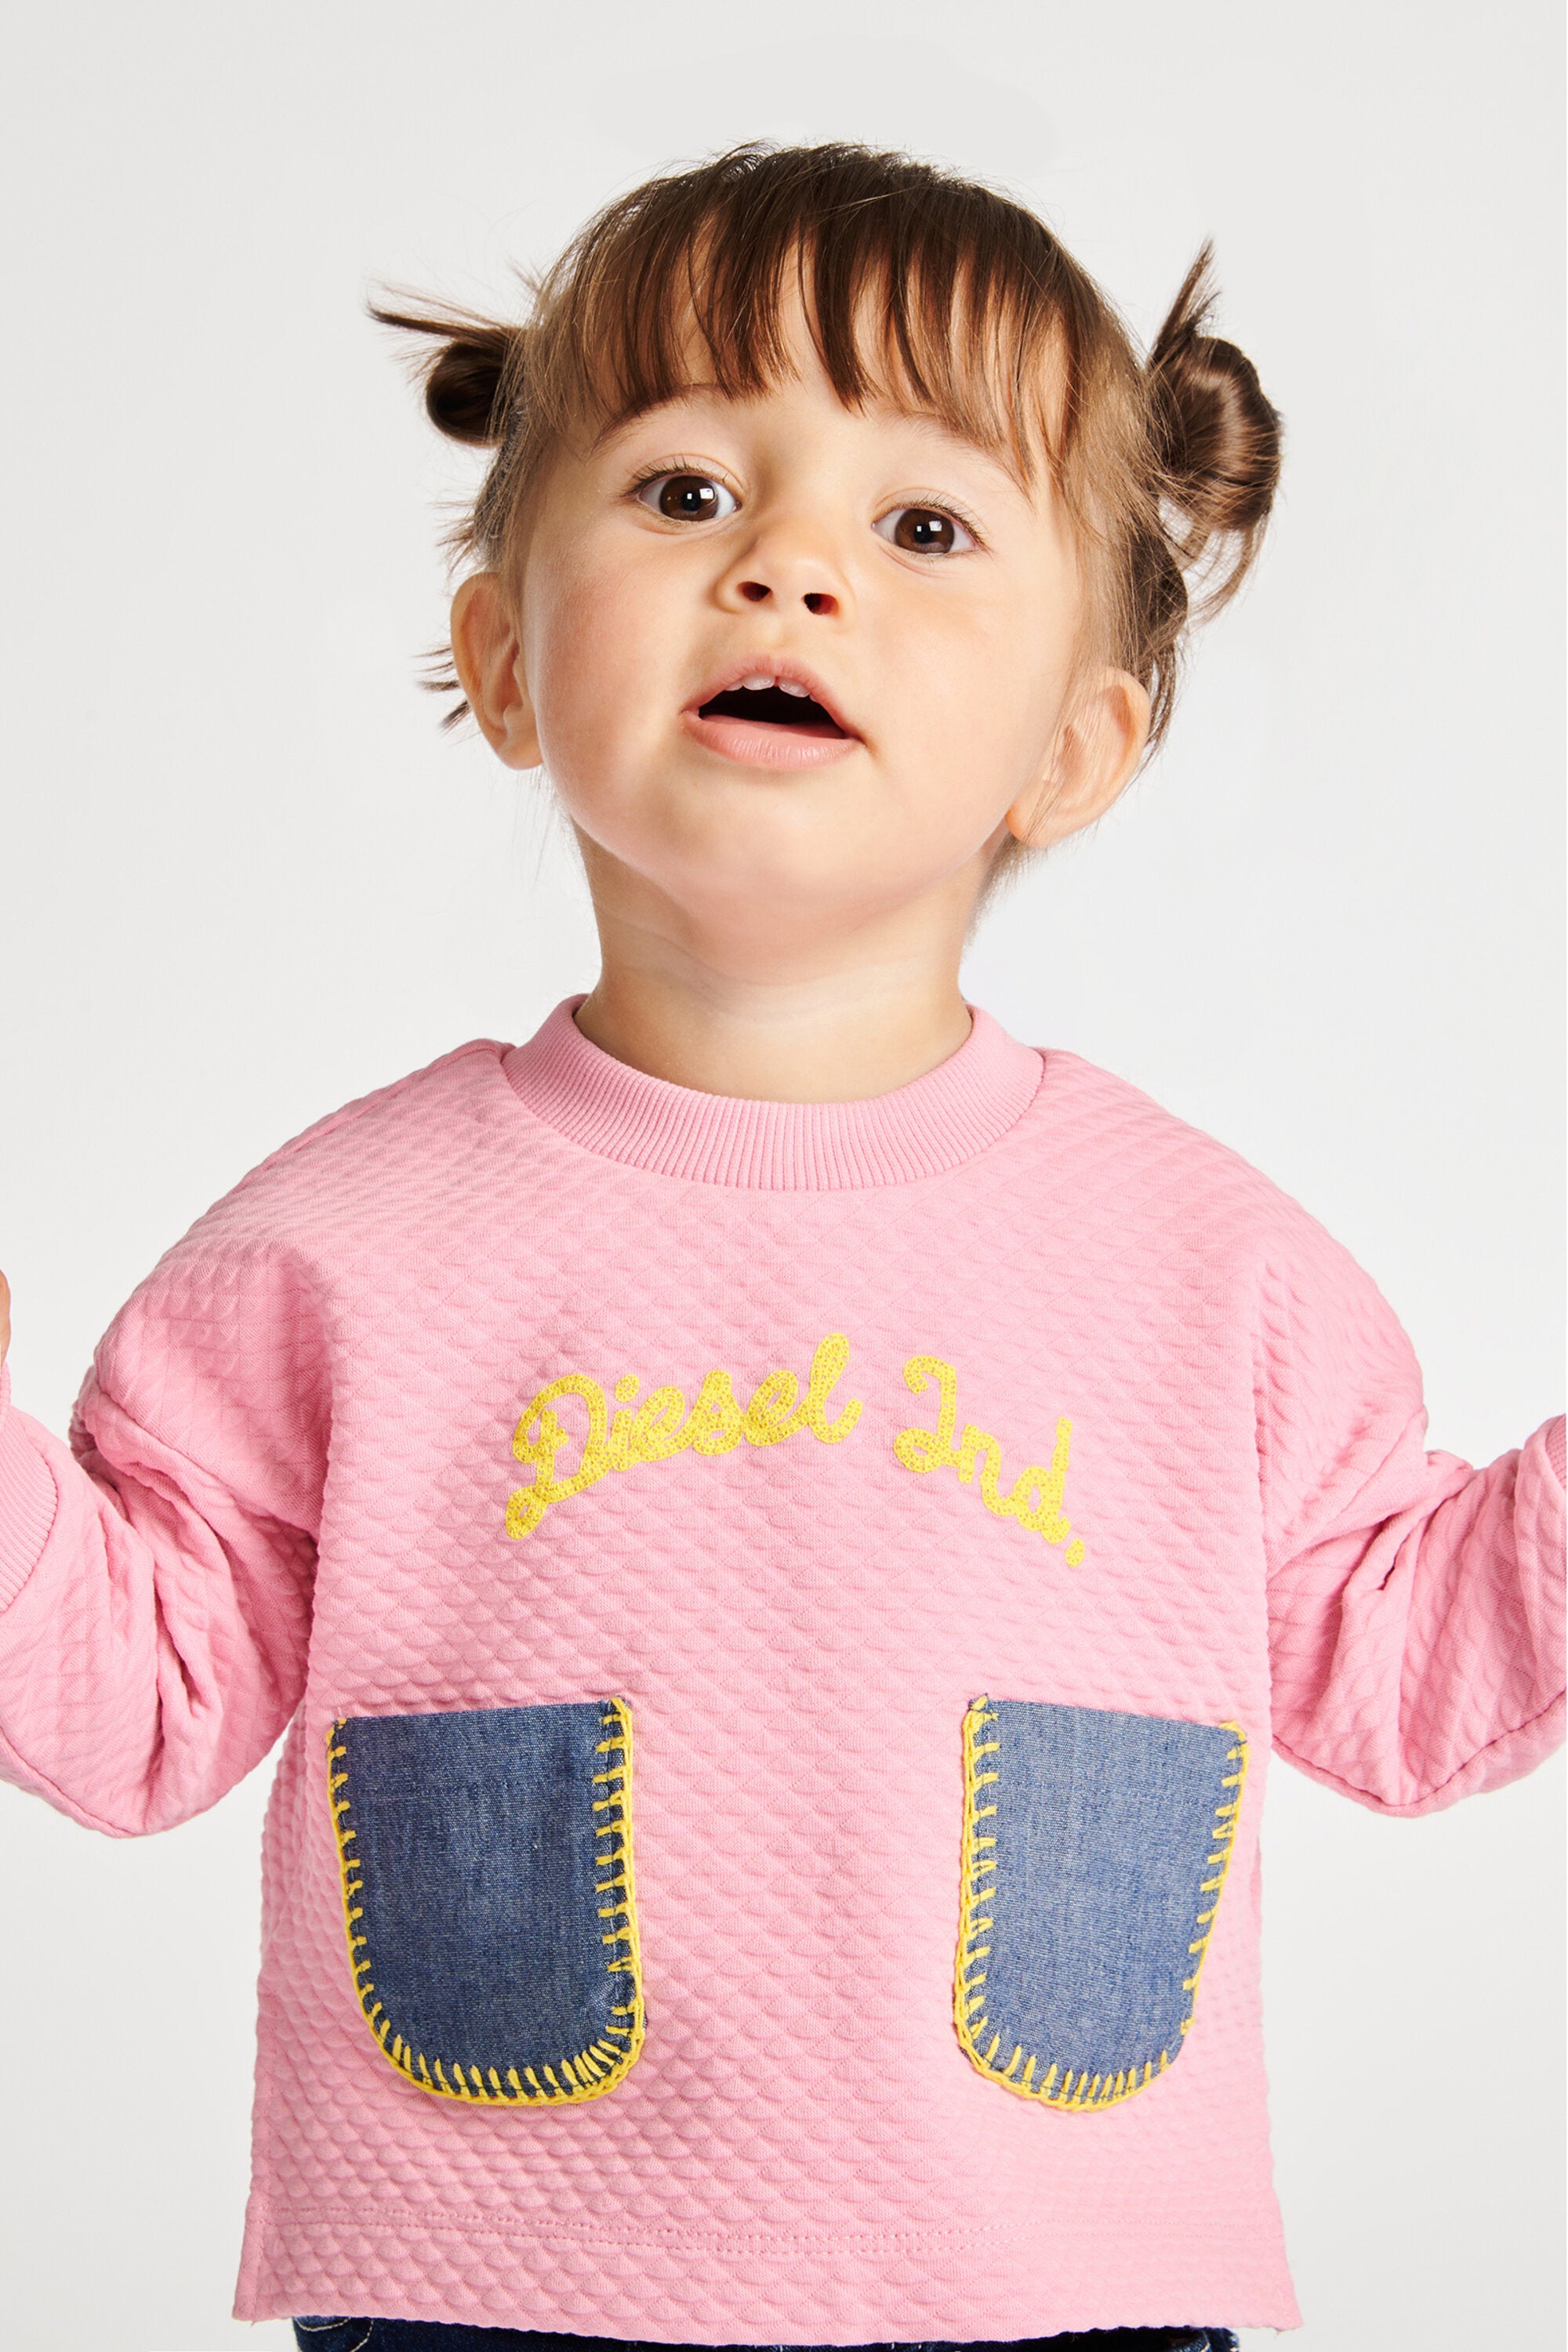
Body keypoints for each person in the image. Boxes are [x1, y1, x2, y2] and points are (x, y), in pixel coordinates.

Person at [0, 141, 1559, 2352]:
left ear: (1075, 744)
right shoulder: (340, 1248)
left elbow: (1404, 1674)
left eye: (922, 529)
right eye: (685, 492)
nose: (789, 568)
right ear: (505, 657)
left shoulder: (1204, 1268)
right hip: (488, 2294)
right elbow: (140, 1703)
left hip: (1061, 2295)